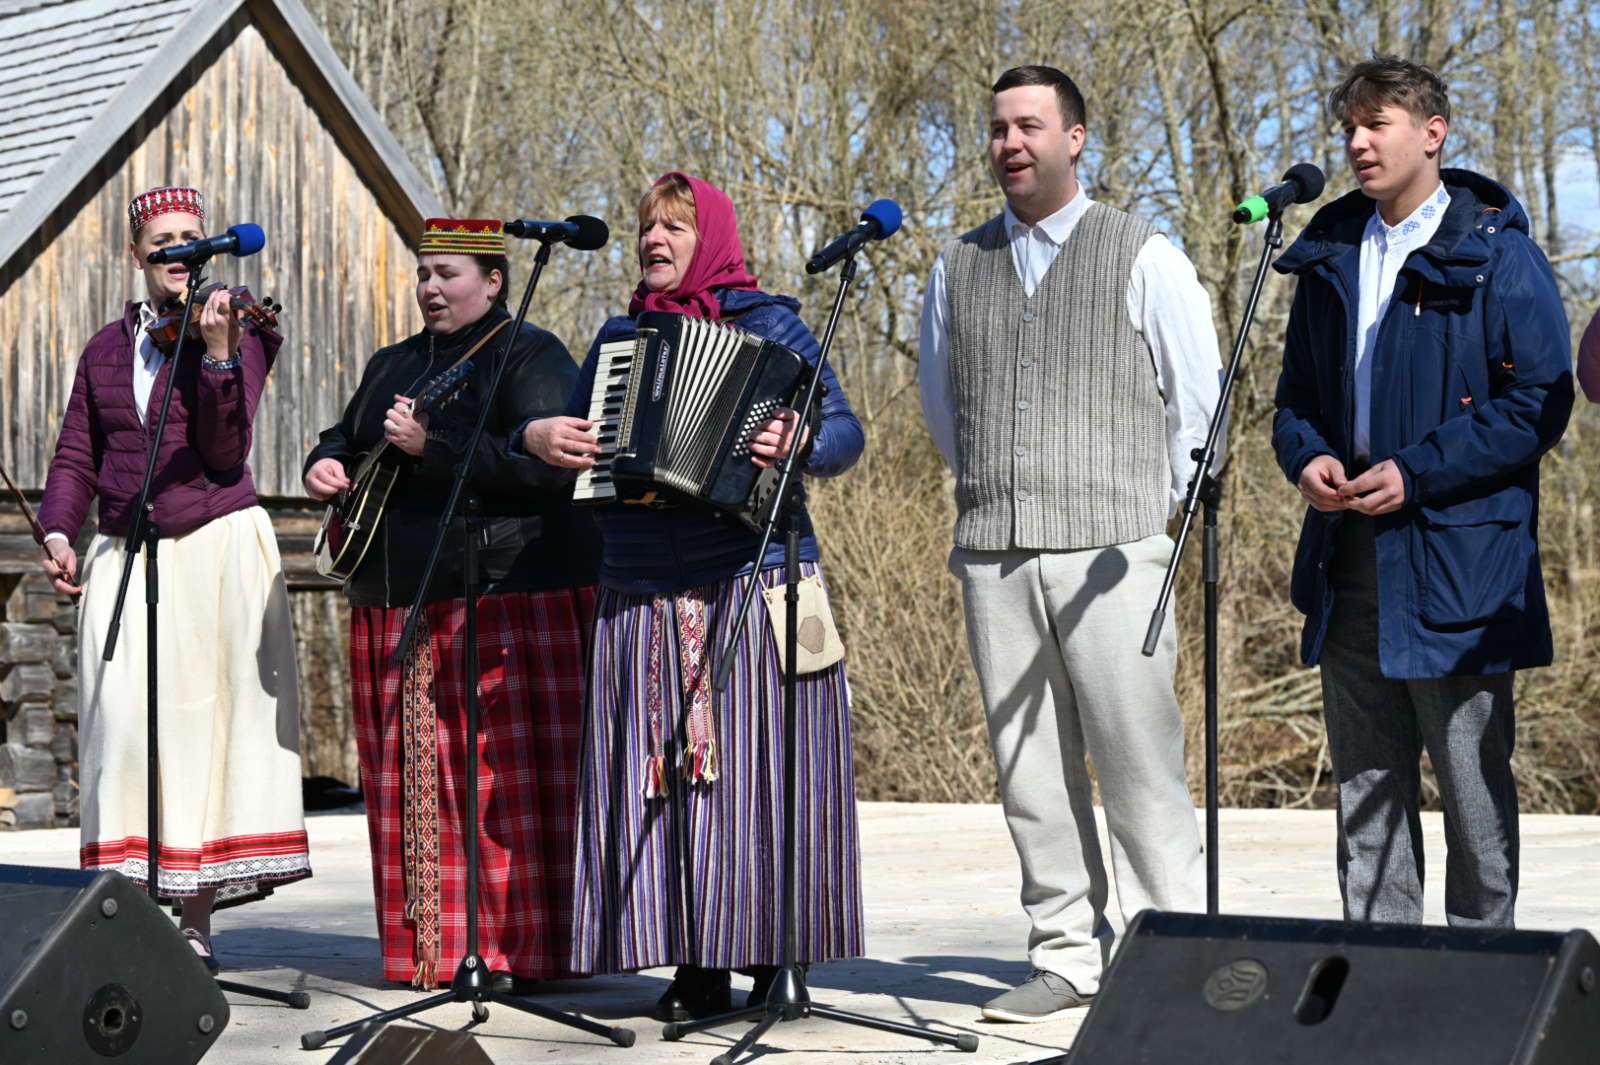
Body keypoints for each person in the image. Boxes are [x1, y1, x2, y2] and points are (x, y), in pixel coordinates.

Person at [518, 172, 865, 1020]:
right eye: (646, 230)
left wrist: (803, 438)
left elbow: (846, 432)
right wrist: (541, 438)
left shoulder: (773, 327)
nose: (654, 242)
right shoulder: (617, 340)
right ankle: (694, 960)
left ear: (707, 236)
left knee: (773, 775)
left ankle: (780, 954)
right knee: (663, 784)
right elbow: (564, 449)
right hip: (640, 581)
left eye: (673, 228)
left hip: (757, 572)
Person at [918, 66, 1219, 1021]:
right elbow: (944, 408)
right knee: (1031, 771)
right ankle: (1065, 953)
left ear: (1076, 138)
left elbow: (1197, 403)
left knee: (1139, 762)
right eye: (998, 127)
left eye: (1030, 126)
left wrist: (1139, 512)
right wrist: (1003, 492)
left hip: (1116, 551)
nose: (1010, 143)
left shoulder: (1144, 252)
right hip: (996, 552)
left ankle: (1170, 952)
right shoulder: (953, 265)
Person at [1272, 56, 1572, 928]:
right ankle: (1380, 987)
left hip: (1461, 565)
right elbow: (1294, 402)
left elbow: (1538, 404)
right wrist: (1308, 460)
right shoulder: (1327, 254)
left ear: (1433, 135)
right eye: (1349, 129)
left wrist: (1418, 470)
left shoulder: (1498, 254)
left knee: (1473, 788)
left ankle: (1483, 985)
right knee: (1366, 790)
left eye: (1377, 125)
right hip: (1348, 558)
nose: (1358, 144)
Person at [303, 218, 602, 991]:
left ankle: (527, 952)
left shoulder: (531, 354)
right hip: (399, 598)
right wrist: (325, 462)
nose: (431, 288)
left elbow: (550, 471)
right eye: (424, 274)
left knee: (502, 791)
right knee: (422, 794)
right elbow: (345, 432)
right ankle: (436, 950)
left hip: (505, 599)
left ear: (495, 281)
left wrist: (429, 449)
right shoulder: (392, 362)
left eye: (449, 274)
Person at [37, 186, 308, 966]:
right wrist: (59, 528)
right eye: (166, 241)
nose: (182, 251)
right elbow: (77, 455)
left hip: (213, 545)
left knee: (201, 737)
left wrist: (220, 355)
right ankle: (126, 913)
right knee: (123, 733)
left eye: (194, 237)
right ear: (137, 254)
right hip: (125, 549)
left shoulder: (241, 327)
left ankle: (194, 925)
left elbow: (226, 453)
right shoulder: (105, 348)